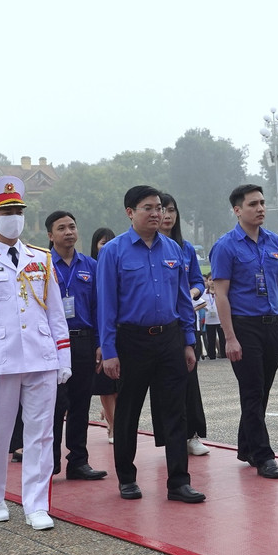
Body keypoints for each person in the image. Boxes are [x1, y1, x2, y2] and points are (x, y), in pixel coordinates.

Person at [0, 176, 71, 529]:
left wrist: (63, 357)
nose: (14, 218)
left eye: (18, 211)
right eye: (6, 212)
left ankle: (36, 504)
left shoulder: (41, 258)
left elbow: (55, 313)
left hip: (40, 355)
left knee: (42, 434)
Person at [96, 185, 204, 503]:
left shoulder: (173, 249)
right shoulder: (113, 252)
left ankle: (179, 482)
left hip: (169, 338)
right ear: (130, 212)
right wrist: (110, 351)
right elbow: (106, 306)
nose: (157, 213)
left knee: (175, 412)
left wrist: (188, 342)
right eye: (149, 208)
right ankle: (127, 479)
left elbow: (183, 300)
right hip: (132, 341)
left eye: (160, 208)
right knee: (128, 412)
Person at [209, 183, 278, 480]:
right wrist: (229, 337)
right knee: (251, 391)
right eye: (253, 204)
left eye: (262, 202)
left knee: (262, 391)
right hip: (243, 326)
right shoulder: (226, 246)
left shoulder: (274, 241)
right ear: (237, 210)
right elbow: (221, 294)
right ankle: (264, 456)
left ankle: (247, 446)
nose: (260, 208)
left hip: (271, 325)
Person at [43, 210, 110, 478]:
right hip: (53, 344)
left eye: (72, 226)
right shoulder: (42, 266)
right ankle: (50, 462)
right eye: (61, 228)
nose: (68, 232)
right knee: (55, 404)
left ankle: (78, 462)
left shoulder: (90, 265)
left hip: (83, 341)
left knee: (81, 404)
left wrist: (101, 343)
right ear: (50, 235)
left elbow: (99, 307)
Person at [159, 193, 211, 456]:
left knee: (189, 379)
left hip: (185, 324)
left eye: (171, 210)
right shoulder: (147, 248)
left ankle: (192, 435)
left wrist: (190, 292)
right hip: (158, 326)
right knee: (162, 384)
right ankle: (169, 437)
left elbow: (198, 281)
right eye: (162, 210)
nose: (167, 215)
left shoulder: (186, 248)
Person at [88, 226, 118, 441]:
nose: (106, 247)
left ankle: (113, 419)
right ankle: (113, 425)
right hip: (99, 333)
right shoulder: (91, 269)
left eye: (110, 243)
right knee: (106, 386)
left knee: (120, 384)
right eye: (102, 243)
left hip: (121, 332)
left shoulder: (119, 266)